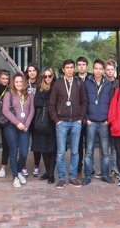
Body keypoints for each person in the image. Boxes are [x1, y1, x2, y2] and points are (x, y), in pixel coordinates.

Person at [49, 59, 88, 188]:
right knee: (60, 152)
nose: (70, 69)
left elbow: (84, 102)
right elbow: (52, 105)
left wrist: (81, 118)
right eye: (67, 67)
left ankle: (72, 177)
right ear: (63, 69)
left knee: (75, 152)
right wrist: (56, 120)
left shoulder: (79, 83)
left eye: (72, 67)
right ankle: (61, 178)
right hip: (62, 122)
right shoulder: (58, 84)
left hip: (76, 122)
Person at [83, 59, 115, 185]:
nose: (98, 71)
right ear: (92, 69)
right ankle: (87, 175)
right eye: (96, 68)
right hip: (91, 122)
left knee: (105, 151)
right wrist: (87, 118)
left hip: (104, 122)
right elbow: (83, 102)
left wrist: (109, 119)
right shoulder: (87, 83)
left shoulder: (108, 84)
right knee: (89, 150)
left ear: (103, 70)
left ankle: (105, 174)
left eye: (100, 69)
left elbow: (112, 104)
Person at [3, 72, 35, 188]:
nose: (19, 84)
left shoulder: (29, 94)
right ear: (13, 83)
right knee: (13, 151)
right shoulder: (8, 94)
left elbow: (32, 111)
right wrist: (18, 123)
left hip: (25, 127)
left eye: (21, 81)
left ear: (24, 82)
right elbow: (5, 111)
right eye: (16, 82)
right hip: (11, 126)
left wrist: (26, 124)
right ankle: (15, 176)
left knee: (24, 153)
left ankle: (20, 171)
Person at [31, 68, 57, 184]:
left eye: (49, 76)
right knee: (44, 149)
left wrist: (44, 103)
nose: (47, 79)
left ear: (53, 76)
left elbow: (57, 103)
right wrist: (48, 103)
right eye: (45, 76)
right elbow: (36, 102)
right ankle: (47, 172)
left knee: (53, 149)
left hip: (53, 122)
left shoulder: (57, 87)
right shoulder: (39, 88)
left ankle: (51, 174)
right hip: (41, 122)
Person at [0, 70, 12, 179]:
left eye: (7, 79)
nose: (5, 81)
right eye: (3, 78)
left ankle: (3, 168)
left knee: (6, 144)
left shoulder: (11, 89)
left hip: (6, 119)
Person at [74, 57, 92, 174]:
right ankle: (78, 165)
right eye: (79, 64)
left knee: (89, 145)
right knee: (78, 143)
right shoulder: (73, 79)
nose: (81, 66)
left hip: (90, 115)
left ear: (87, 66)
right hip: (78, 116)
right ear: (77, 66)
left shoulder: (92, 78)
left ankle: (89, 167)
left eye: (83, 64)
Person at [25, 63, 41, 177]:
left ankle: (36, 166)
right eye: (30, 71)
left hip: (38, 117)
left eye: (34, 70)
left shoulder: (41, 84)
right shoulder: (23, 84)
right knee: (24, 143)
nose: (32, 73)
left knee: (36, 143)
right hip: (25, 117)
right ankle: (23, 166)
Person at [104, 59, 119, 177]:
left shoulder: (119, 83)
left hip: (116, 119)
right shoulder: (102, 82)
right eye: (108, 69)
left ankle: (113, 167)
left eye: (111, 69)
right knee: (104, 145)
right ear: (105, 70)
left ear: (114, 70)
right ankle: (104, 168)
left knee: (114, 145)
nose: (110, 71)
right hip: (104, 118)